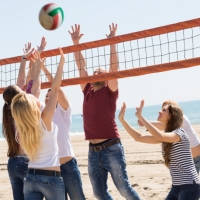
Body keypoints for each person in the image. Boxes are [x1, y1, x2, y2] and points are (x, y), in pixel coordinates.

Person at [68, 24, 140, 200]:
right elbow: (80, 67)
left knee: (124, 189)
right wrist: (76, 43)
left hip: (111, 148)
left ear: (106, 78)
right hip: (93, 151)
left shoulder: (110, 91)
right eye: (94, 72)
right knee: (99, 193)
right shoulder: (87, 90)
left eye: (100, 71)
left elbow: (114, 68)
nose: (96, 72)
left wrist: (112, 42)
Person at [11, 48, 65, 200]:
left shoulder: (21, 127)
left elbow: (35, 89)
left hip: (31, 178)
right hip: (50, 178)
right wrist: (61, 64)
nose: (35, 97)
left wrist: (37, 68)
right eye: (33, 99)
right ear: (32, 106)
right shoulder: (44, 121)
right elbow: (54, 90)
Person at [119, 100, 200, 199]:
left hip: (190, 186)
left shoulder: (180, 133)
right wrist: (122, 120)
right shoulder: (167, 136)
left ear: (171, 116)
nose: (159, 111)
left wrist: (140, 116)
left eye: (164, 110)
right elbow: (139, 137)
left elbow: (160, 135)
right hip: (176, 187)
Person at [2, 41, 44, 200]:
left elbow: (19, 84)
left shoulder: (8, 109)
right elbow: (35, 90)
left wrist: (24, 59)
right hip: (25, 164)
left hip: (12, 163)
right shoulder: (24, 109)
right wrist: (37, 67)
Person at [41, 64, 85, 200]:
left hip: (68, 166)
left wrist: (43, 67)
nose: (48, 98)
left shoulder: (63, 112)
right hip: (51, 169)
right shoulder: (41, 116)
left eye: (51, 95)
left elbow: (57, 88)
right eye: (46, 97)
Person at [138, 100, 200, 174]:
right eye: (162, 108)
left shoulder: (181, 118)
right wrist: (145, 123)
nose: (161, 111)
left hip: (196, 157)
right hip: (189, 159)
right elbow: (162, 126)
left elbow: (161, 126)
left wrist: (145, 122)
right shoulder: (172, 124)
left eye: (165, 109)